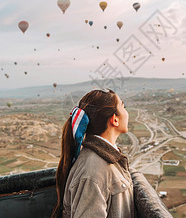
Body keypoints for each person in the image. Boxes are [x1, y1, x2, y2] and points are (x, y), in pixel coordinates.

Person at [52, 88, 173, 218]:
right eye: (123, 107)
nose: (127, 112)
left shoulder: (102, 159)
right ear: (114, 119)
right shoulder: (94, 171)